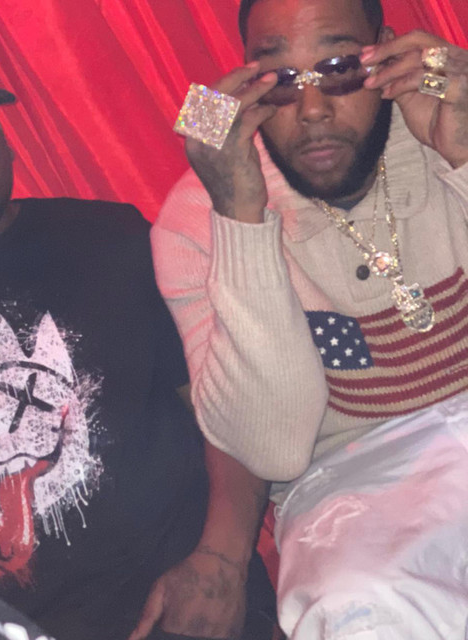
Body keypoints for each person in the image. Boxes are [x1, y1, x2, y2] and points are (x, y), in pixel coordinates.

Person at [0, 30, 277, 640]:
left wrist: (222, 561)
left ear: (4, 137)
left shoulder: (111, 239)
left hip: (190, 603)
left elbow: (225, 410)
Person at [152, 0, 468, 637]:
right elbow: (274, 446)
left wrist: (464, 155)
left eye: (338, 68)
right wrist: (239, 215)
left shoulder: (442, 117)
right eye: (281, 79)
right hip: (350, 485)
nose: (313, 109)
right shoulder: (195, 214)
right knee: (359, 610)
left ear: (384, 51)